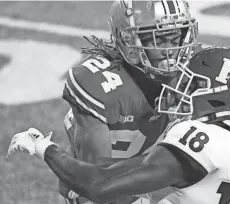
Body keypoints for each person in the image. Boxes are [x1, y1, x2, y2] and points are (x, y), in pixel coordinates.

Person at [8, 46, 230, 204]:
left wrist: (43, 147)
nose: (181, 89)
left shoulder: (200, 140)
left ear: (219, 98)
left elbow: (99, 186)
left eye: (194, 85)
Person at [60, 0, 198, 203]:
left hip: (157, 177)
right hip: (101, 186)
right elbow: (95, 180)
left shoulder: (196, 71)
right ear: (128, 39)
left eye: (176, 36)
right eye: (158, 39)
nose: (171, 50)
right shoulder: (100, 85)